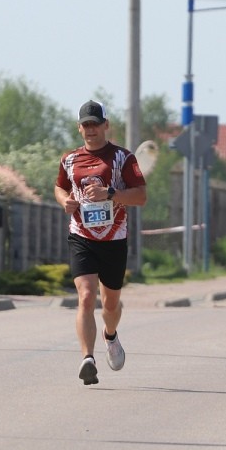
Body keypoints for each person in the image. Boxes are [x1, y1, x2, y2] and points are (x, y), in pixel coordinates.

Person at [55, 100, 148, 386]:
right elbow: (60, 186)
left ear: (106, 125)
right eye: (86, 125)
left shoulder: (123, 158)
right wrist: (65, 202)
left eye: (96, 124)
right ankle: (87, 359)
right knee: (85, 296)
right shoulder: (69, 160)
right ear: (79, 127)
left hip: (114, 239)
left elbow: (141, 196)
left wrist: (111, 193)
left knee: (110, 305)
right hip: (81, 235)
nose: (91, 129)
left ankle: (111, 335)